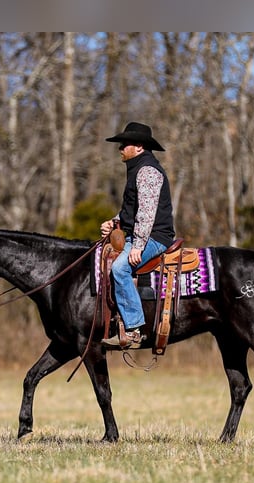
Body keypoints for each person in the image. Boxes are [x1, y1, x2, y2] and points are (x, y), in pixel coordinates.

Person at [100, 122, 175, 349]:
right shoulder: (138, 169)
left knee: (120, 268)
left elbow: (146, 212)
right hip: (141, 235)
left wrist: (138, 246)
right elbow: (131, 210)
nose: (120, 148)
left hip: (155, 237)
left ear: (139, 147)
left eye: (125, 144)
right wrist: (113, 223)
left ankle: (133, 330)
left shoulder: (148, 172)